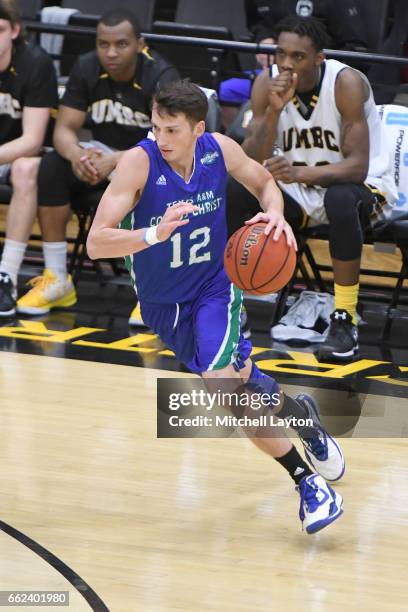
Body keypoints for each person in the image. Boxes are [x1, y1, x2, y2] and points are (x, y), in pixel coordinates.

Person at [87, 79, 345, 534]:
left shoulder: (219, 150)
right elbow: (96, 243)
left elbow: (265, 182)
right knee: (241, 379)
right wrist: (152, 235)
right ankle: (302, 417)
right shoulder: (137, 165)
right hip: (161, 303)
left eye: (172, 131)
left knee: (221, 388)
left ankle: (307, 483)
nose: (161, 139)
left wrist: (276, 215)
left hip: (215, 288)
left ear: (198, 128)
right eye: (156, 128)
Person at [230, 16, 397, 362]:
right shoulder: (267, 85)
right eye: (281, 54)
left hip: (366, 190)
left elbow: (357, 167)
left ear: (319, 58)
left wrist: (298, 172)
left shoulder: (346, 82)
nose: (287, 64)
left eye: (298, 57)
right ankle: (231, 309)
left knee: (339, 198)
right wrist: (274, 113)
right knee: (236, 189)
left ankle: (344, 318)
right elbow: (250, 159)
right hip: (300, 191)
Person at [10, 8, 179, 320]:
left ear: (140, 44)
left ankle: (155, 290)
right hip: (102, 154)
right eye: (103, 44)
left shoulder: (160, 76)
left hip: (150, 156)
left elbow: (168, 139)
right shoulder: (87, 67)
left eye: (121, 45)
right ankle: (57, 276)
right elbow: (64, 129)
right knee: (50, 167)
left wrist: (119, 160)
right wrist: (77, 156)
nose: (111, 53)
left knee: (153, 180)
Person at [0, 0, 58, 316]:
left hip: (21, 154)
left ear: (15, 31)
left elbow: (32, 141)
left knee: (25, 169)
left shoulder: (35, 64)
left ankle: (6, 276)